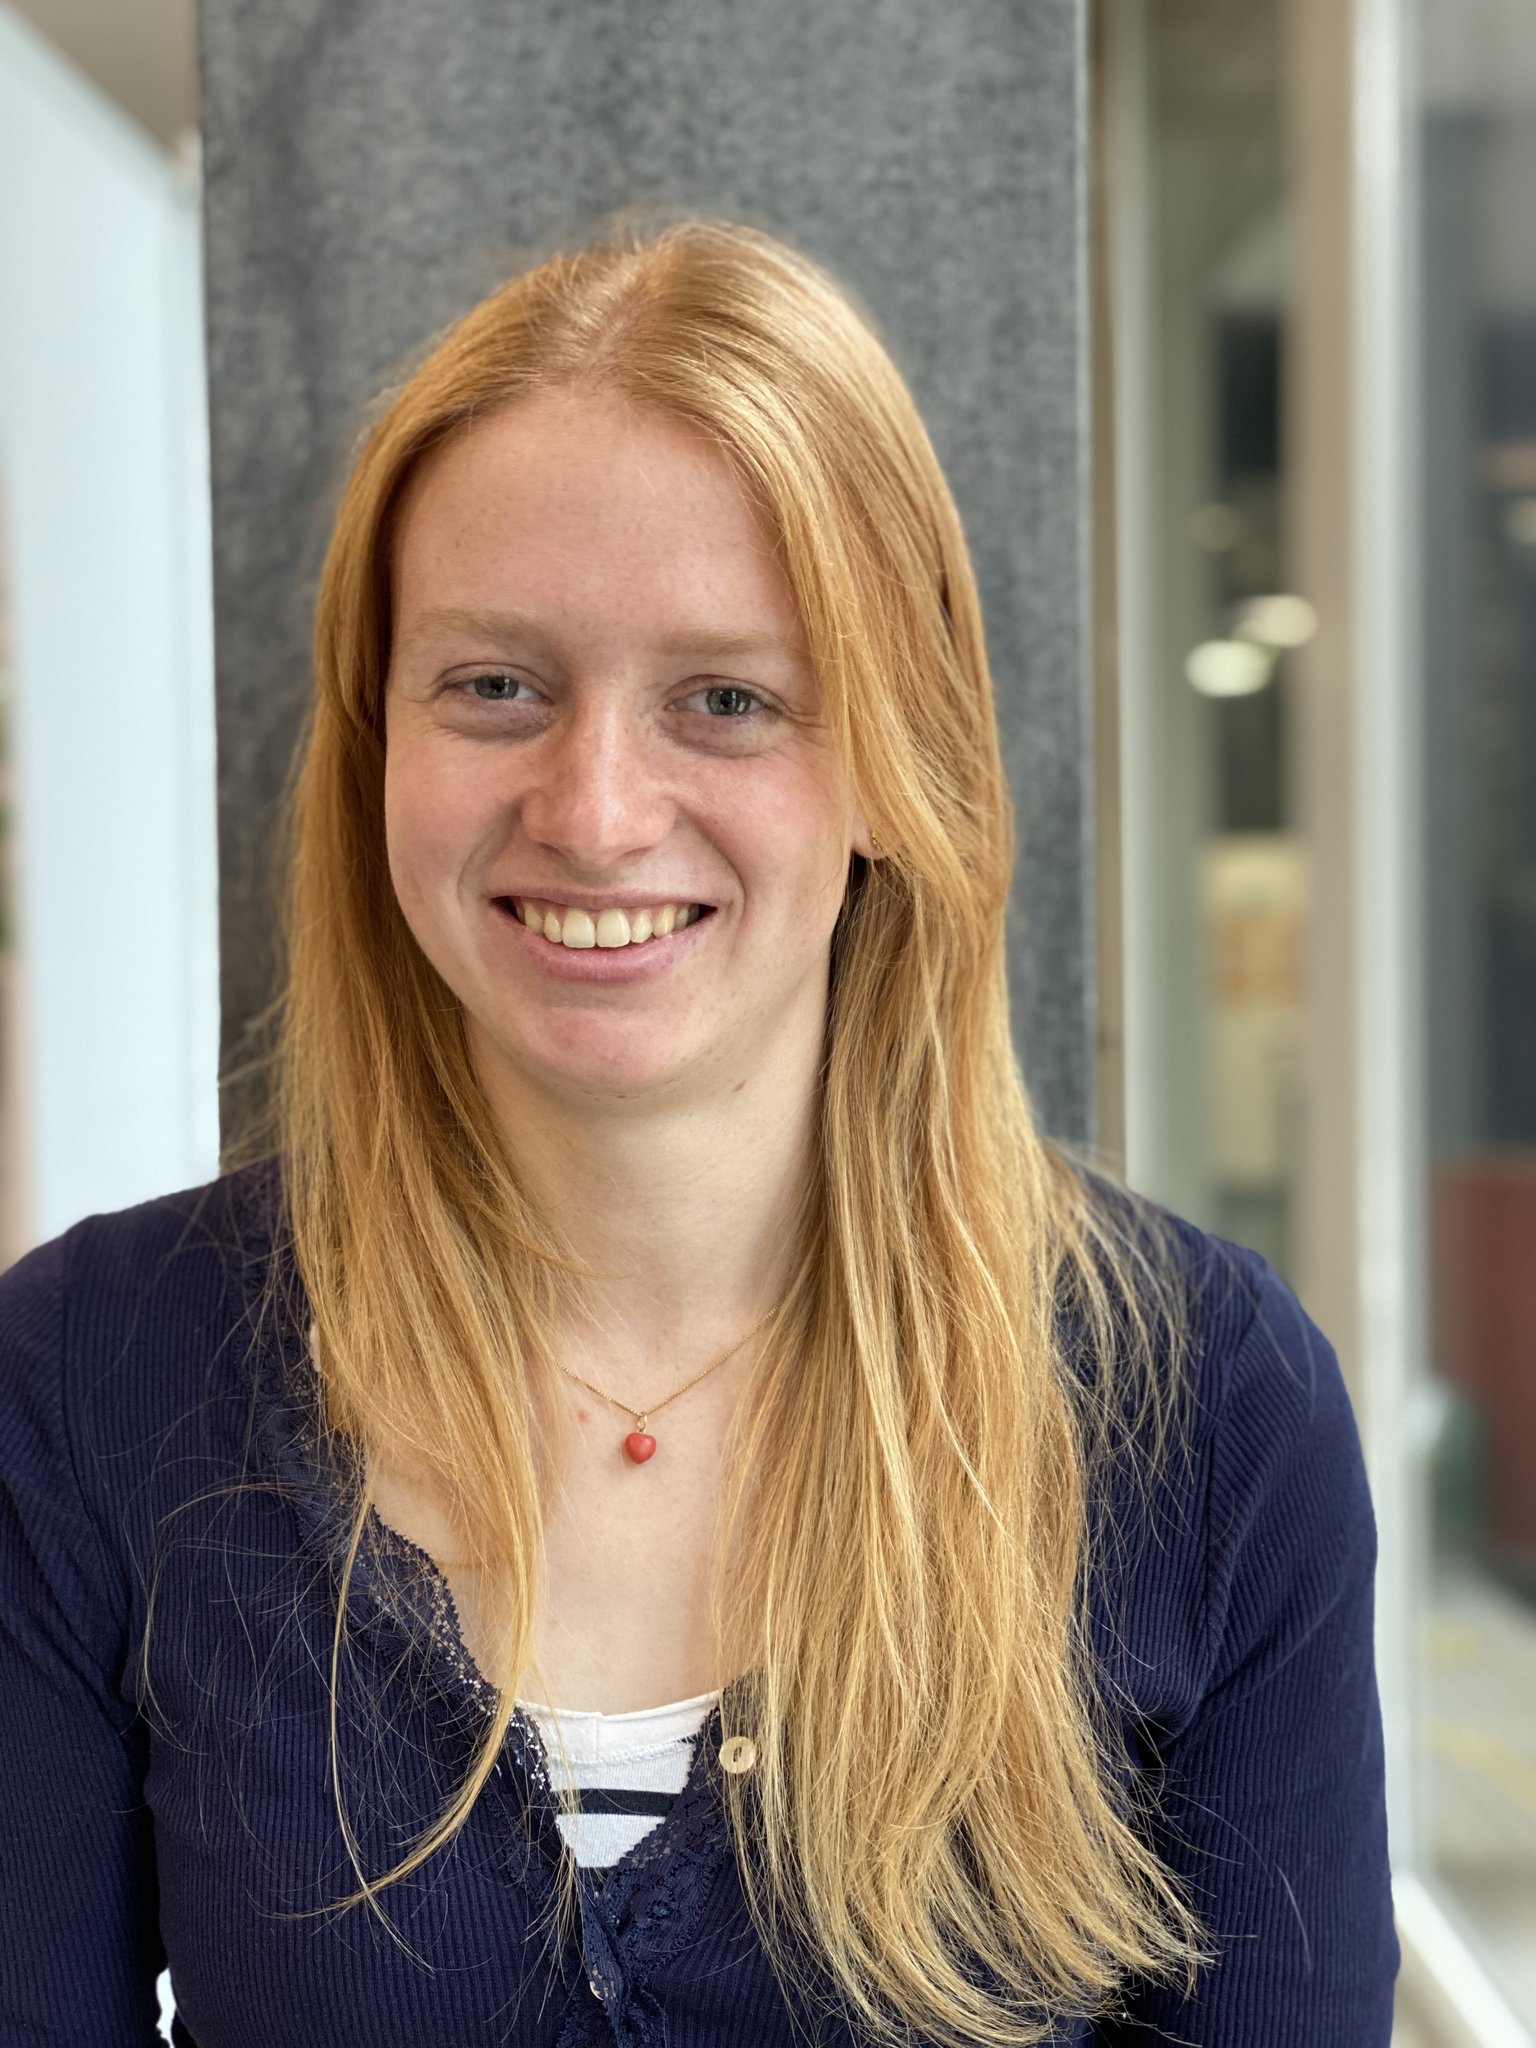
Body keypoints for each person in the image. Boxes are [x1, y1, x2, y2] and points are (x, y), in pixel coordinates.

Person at [0, 213, 1397, 2047]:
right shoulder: (89, 1375)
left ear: (896, 763)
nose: (594, 812)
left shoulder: (1205, 1408)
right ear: (376, 746)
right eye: (495, 685)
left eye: (726, 700)